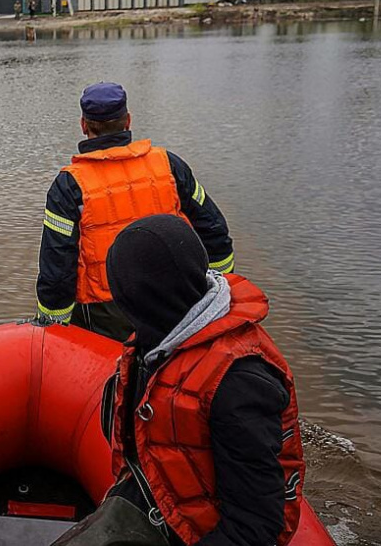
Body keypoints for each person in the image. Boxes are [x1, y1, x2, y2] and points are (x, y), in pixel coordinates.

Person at [52, 215, 304, 546]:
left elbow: (255, 523)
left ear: (138, 300)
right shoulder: (156, 342)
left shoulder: (236, 382)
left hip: (205, 531)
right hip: (165, 499)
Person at [34, 82, 234, 340]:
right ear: (128, 121)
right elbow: (214, 230)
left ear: (84, 125)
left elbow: (57, 267)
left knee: (116, 375)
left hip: (106, 312)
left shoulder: (69, 186)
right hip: (175, 299)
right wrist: (219, 288)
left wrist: (53, 327)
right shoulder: (168, 165)